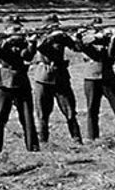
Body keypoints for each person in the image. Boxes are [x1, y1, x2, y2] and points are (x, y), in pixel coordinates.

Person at [74, 17, 115, 140]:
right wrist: (97, 37)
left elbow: (110, 57)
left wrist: (113, 39)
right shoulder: (84, 38)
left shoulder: (105, 38)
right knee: (92, 110)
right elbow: (85, 48)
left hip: (107, 76)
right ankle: (92, 137)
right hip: (91, 77)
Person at [0, 15, 38, 155]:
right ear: (7, 29)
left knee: (28, 118)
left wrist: (32, 43)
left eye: (19, 27)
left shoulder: (22, 40)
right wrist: (9, 38)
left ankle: (33, 147)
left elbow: (27, 56)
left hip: (21, 81)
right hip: (2, 83)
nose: (19, 30)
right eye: (15, 28)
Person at [30, 13, 82, 145]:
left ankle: (76, 139)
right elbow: (40, 47)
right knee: (42, 113)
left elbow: (77, 48)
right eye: (53, 25)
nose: (56, 27)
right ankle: (43, 141)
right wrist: (51, 36)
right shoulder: (39, 36)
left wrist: (77, 37)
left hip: (61, 77)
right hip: (43, 77)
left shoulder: (61, 37)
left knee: (70, 110)